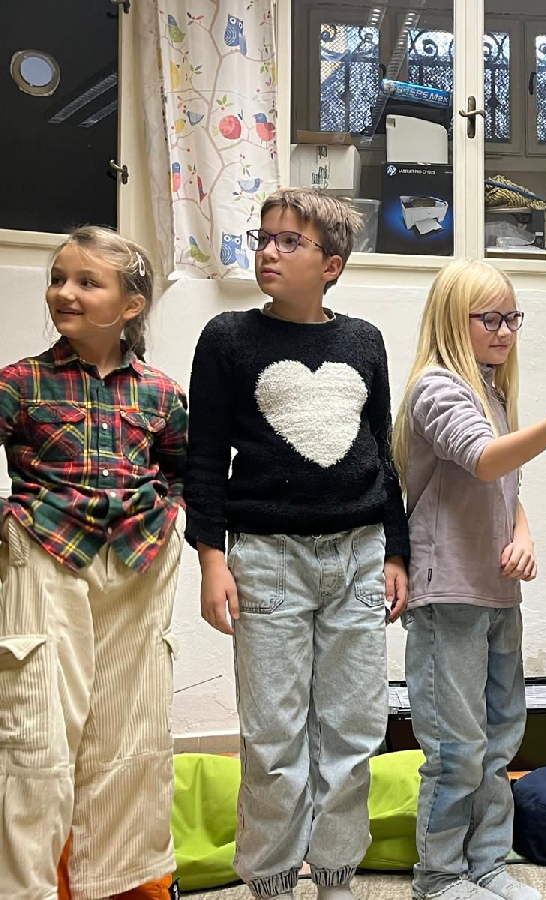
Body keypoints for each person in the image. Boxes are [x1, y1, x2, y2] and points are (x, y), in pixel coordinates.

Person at [187, 188, 408, 900]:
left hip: (359, 556)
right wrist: (211, 558)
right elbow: (203, 457)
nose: (269, 252)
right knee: (273, 737)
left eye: (289, 241)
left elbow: (383, 451)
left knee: (353, 730)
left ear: (331, 265)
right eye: (264, 238)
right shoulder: (228, 338)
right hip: (266, 559)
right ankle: (273, 879)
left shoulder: (364, 341)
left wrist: (396, 551)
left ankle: (336, 873)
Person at [396, 258, 546, 900]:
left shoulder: (493, 393)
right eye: (490, 319)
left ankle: (487, 863)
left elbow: (507, 488)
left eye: (511, 318)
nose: (504, 331)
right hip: (448, 594)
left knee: (499, 741)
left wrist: (521, 535)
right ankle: (439, 876)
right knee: (457, 748)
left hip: (496, 594)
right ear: (453, 320)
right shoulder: (437, 389)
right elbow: (484, 459)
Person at [0, 226, 187, 900]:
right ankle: (26, 888)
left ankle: (118, 885)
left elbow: (181, 467)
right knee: (37, 731)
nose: (64, 292)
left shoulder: (161, 392)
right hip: (46, 555)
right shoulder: (20, 382)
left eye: (86, 281)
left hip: (137, 563)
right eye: (57, 279)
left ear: (131, 305)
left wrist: (170, 515)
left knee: (128, 730)